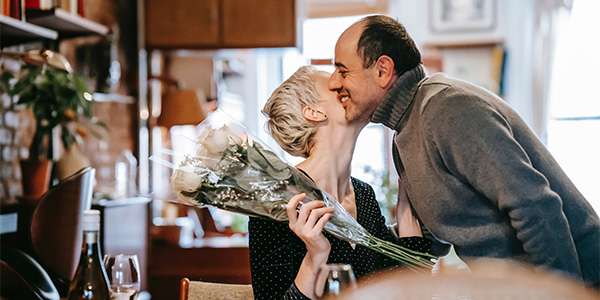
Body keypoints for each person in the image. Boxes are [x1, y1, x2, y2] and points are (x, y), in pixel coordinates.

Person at [327, 14, 600, 287]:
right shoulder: (404, 134)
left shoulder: (446, 109)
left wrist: (563, 295)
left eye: (343, 70)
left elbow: (536, 207)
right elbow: (440, 237)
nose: (333, 82)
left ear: (383, 70)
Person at [248, 66, 431, 300]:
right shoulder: (276, 199)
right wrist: (315, 256)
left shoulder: (364, 195)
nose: (343, 85)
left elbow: (402, 290)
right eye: (334, 86)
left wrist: (407, 220)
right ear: (314, 112)